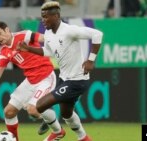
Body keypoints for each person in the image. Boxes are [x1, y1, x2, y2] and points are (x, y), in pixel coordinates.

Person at [17, 1, 103, 141]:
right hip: (64, 78)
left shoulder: (69, 30)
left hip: (77, 80)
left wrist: (91, 60)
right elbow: (48, 51)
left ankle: (56, 131)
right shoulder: (49, 33)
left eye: (46, 17)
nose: (43, 20)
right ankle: (83, 138)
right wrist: (29, 49)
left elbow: (97, 35)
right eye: (42, 17)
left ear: (56, 16)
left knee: (39, 105)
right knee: (66, 113)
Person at [0, 21, 64, 141]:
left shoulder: (23, 36)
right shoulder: (4, 51)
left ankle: (57, 130)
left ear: (7, 30)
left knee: (32, 110)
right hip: (30, 80)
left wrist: (59, 42)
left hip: (46, 77)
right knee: (8, 112)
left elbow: (43, 37)